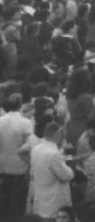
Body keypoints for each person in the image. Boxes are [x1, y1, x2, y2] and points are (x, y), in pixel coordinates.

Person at [26, 122, 74, 222]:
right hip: (54, 198)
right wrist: (70, 168)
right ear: (58, 134)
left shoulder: (36, 149)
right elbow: (66, 176)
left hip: (41, 195)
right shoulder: (54, 153)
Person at [0, 92, 32, 222]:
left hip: (2, 165)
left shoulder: (0, 121)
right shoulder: (26, 123)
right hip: (20, 166)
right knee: (17, 203)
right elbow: (29, 144)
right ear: (20, 106)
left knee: (3, 201)